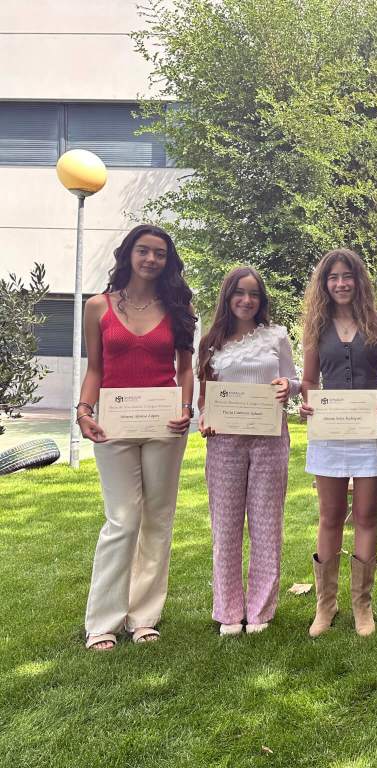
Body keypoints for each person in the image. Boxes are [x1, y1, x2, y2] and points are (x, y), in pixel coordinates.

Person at [75, 224, 196, 650]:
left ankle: (144, 617)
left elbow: (184, 369)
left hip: (166, 427)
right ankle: (103, 622)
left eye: (159, 254)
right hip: (114, 426)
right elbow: (95, 369)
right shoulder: (97, 307)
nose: (150, 259)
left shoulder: (179, 306)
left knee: (158, 520)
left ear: (167, 261)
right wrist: (83, 411)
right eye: (143, 251)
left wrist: (186, 408)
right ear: (128, 254)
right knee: (122, 520)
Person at [195, 267, 298, 636]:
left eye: (254, 294)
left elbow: (294, 379)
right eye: (239, 292)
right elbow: (204, 399)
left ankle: (259, 611)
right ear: (228, 296)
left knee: (267, 525)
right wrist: (204, 418)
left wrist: (290, 385)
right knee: (225, 527)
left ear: (262, 300)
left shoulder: (277, 336)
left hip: (269, 437)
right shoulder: (211, 341)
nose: (246, 300)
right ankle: (228, 611)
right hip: (225, 441)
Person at [300, 249, 377, 637]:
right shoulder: (316, 327)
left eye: (347, 276)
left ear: (359, 281)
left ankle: (362, 605)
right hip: (330, 433)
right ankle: (326, 605)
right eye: (333, 277)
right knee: (329, 515)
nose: (340, 283)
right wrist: (307, 401)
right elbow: (308, 381)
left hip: (371, 431)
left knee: (366, 516)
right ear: (324, 284)